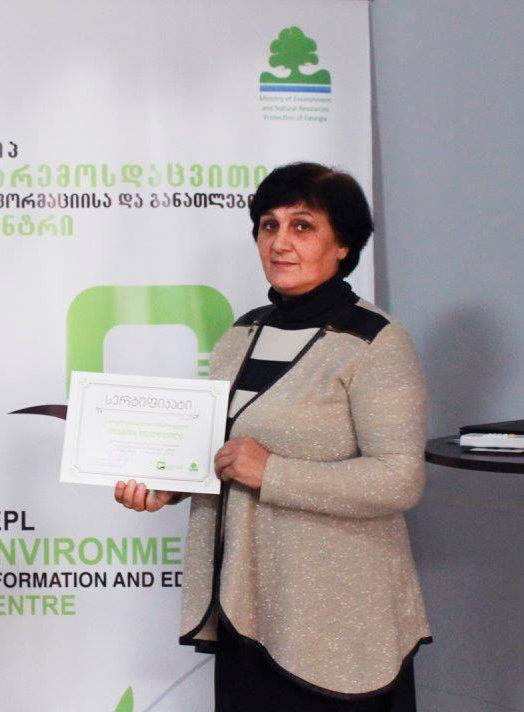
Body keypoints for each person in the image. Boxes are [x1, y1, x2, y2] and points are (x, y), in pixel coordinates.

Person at [115, 162, 430, 711]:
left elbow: (399, 479)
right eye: (269, 225)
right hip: (246, 609)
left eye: (302, 226)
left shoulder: (376, 341)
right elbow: (219, 450)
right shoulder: (244, 331)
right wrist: (170, 485)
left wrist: (274, 473)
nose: (280, 242)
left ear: (343, 245)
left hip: (337, 626)